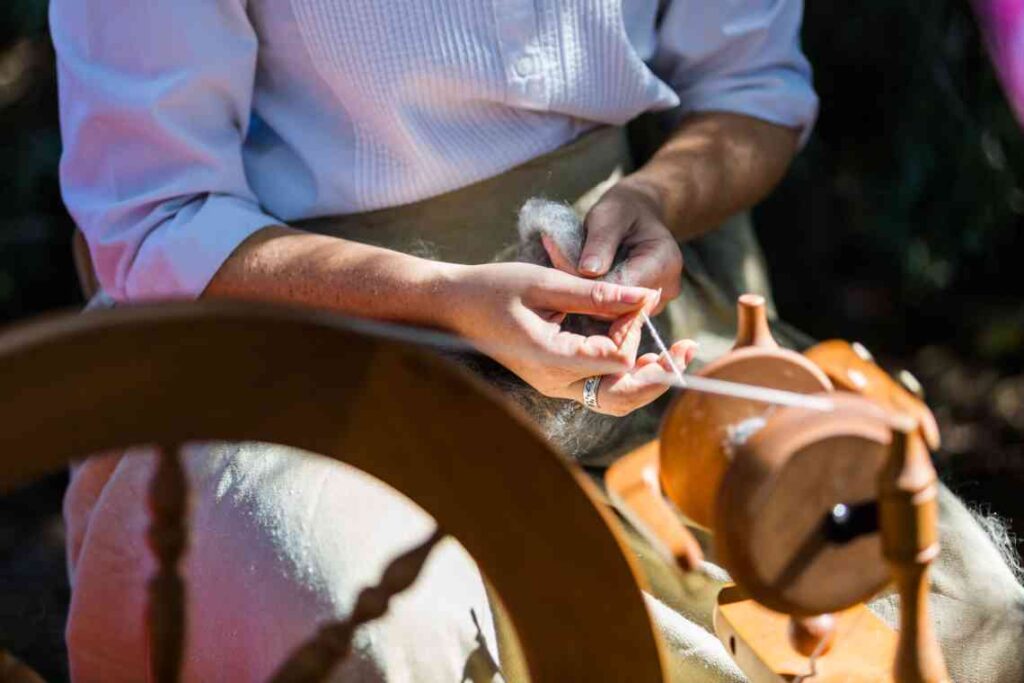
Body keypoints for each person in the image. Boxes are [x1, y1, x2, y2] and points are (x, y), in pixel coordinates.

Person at [51, 1, 1023, 681]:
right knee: (364, 618)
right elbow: (154, 216)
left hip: (634, 342)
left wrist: (649, 201)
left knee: (948, 607)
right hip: (301, 368)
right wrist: (445, 294)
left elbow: (752, 90)